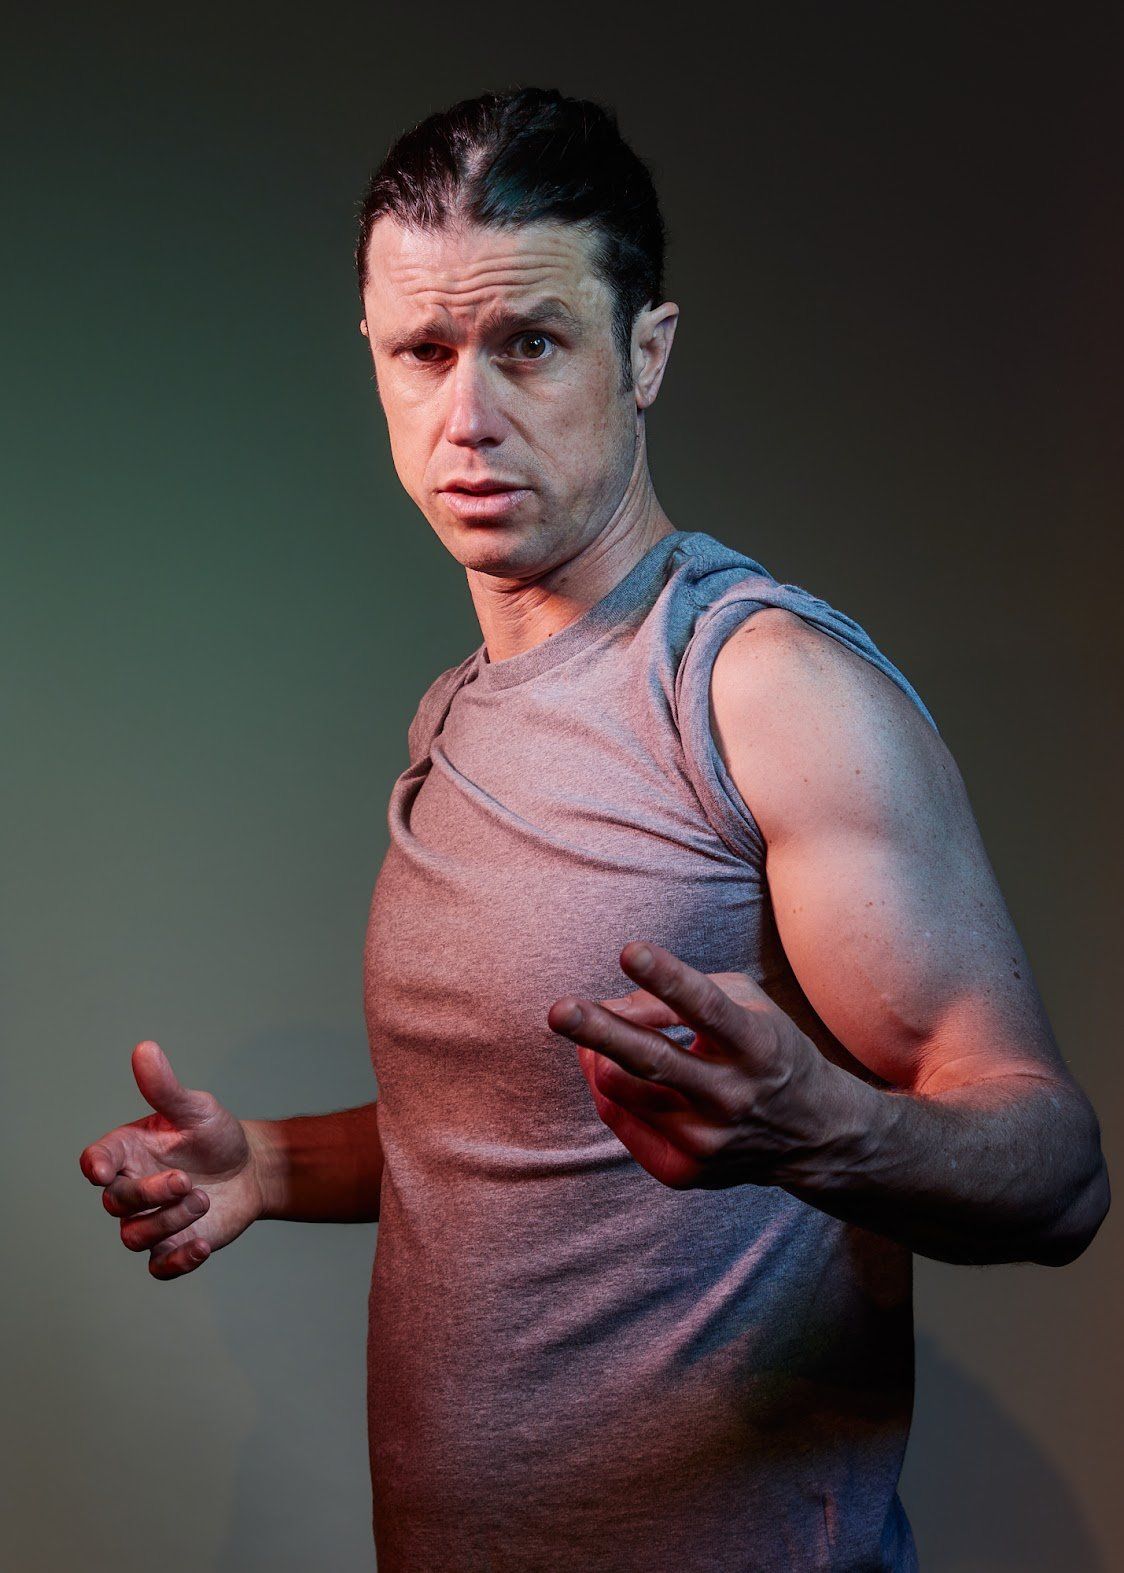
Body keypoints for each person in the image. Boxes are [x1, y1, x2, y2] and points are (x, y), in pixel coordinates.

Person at [79, 86, 1109, 1572]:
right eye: (424, 353)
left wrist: (829, 1132)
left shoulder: (756, 687)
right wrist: (267, 1170)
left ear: (646, 354)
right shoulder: (458, 715)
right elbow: (520, 1136)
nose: (467, 416)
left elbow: (1060, 1172)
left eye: (530, 345)